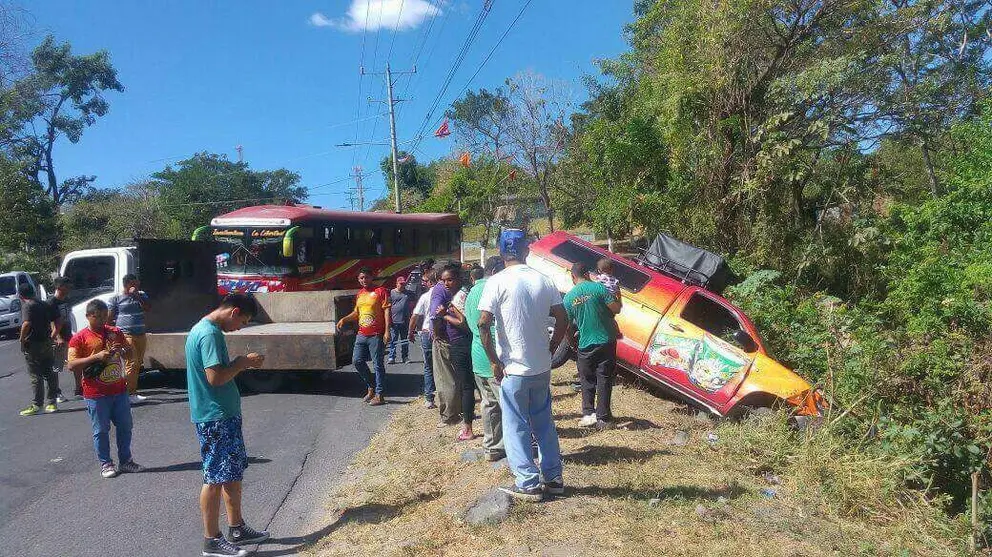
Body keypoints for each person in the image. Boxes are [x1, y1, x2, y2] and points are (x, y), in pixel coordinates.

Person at [478, 229, 569, 501]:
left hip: (513, 368)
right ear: (526, 250)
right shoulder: (544, 279)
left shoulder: (496, 282)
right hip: (541, 366)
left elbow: (483, 323)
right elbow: (563, 319)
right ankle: (554, 478)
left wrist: (494, 360)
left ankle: (528, 483)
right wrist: (550, 350)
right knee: (544, 422)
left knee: (516, 424)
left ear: (500, 250)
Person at [185, 293, 268, 557]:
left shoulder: (205, 329)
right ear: (233, 312)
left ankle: (237, 527)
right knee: (214, 478)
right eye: (242, 321)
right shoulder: (209, 334)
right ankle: (211, 540)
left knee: (231, 474)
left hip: (222, 414)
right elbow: (215, 377)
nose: (240, 327)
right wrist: (242, 363)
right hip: (215, 417)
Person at [67, 299, 141, 478]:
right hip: (96, 393)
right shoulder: (79, 338)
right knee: (100, 430)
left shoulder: (115, 332)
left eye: (104, 316)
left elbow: (130, 353)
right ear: (88, 317)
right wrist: (97, 357)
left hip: (119, 389)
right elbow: (72, 365)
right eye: (96, 317)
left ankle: (126, 461)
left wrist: (123, 350)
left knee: (125, 426)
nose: (101, 320)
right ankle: (106, 463)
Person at [564, 261, 622, 430]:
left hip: (585, 343)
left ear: (572, 277)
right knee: (604, 378)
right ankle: (603, 418)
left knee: (586, 379)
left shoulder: (568, 298)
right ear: (588, 274)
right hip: (606, 340)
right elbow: (616, 309)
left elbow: (567, 326)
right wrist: (618, 297)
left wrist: (571, 341)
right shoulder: (599, 289)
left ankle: (589, 415)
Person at [465, 257, 506, 461]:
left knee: (489, 404)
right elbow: (487, 326)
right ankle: (518, 448)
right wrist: (497, 360)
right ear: (497, 269)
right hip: (493, 356)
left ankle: (492, 447)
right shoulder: (492, 289)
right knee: (508, 406)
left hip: (478, 356)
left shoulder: (472, 291)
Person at [337, 268, 391, 406]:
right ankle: (371, 386)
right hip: (361, 334)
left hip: (376, 335)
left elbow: (386, 311)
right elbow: (356, 313)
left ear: (372, 278)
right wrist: (345, 319)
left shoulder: (380, 291)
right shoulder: (360, 294)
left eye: (366, 277)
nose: (364, 280)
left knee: (378, 365)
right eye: (361, 278)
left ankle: (380, 395)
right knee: (357, 361)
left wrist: (387, 331)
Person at [430, 263, 473, 433]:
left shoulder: (457, 297)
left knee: (451, 380)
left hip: (458, 342)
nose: (446, 283)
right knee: (464, 382)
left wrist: (442, 321)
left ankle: (453, 417)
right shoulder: (461, 292)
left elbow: (462, 322)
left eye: (449, 280)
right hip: (460, 341)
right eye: (443, 280)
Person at [109, 273, 151, 404]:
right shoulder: (116, 298)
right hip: (125, 335)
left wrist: (137, 296)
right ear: (127, 284)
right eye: (134, 283)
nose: (137, 285)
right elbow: (109, 318)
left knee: (138, 363)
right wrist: (110, 335)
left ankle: (133, 392)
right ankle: (127, 393)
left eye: (137, 283)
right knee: (131, 363)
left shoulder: (141, 294)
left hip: (140, 334)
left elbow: (148, 308)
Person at [19, 283, 59, 416]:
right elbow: (58, 320)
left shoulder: (28, 305)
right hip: (46, 341)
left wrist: (22, 339)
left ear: (21, 296)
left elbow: (26, 324)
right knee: (50, 371)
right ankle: (52, 402)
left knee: (35, 374)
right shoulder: (44, 304)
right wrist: (53, 335)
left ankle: (37, 404)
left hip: (33, 344)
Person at [409, 269, 438, 409]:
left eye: (425, 281)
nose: (423, 283)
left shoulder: (425, 297)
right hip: (440, 333)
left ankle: (429, 398)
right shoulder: (445, 294)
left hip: (426, 333)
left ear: (431, 282)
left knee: (428, 366)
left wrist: (410, 331)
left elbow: (415, 316)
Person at [49, 277, 76, 402]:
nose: (69, 288)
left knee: (76, 362)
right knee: (56, 367)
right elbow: (51, 321)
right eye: (67, 286)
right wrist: (58, 337)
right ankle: (56, 393)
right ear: (59, 287)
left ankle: (80, 389)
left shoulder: (67, 300)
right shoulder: (52, 302)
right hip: (59, 339)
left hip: (69, 336)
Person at [387, 276, 412, 364]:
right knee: (393, 340)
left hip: (405, 321)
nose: (402, 285)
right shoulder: (391, 293)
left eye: (404, 284)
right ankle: (391, 357)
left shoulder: (408, 293)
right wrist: (389, 320)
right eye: (401, 284)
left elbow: (412, 305)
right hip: (394, 321)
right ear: (396, 283)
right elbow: (388, 306)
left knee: (404, 340)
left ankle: (405, 357)